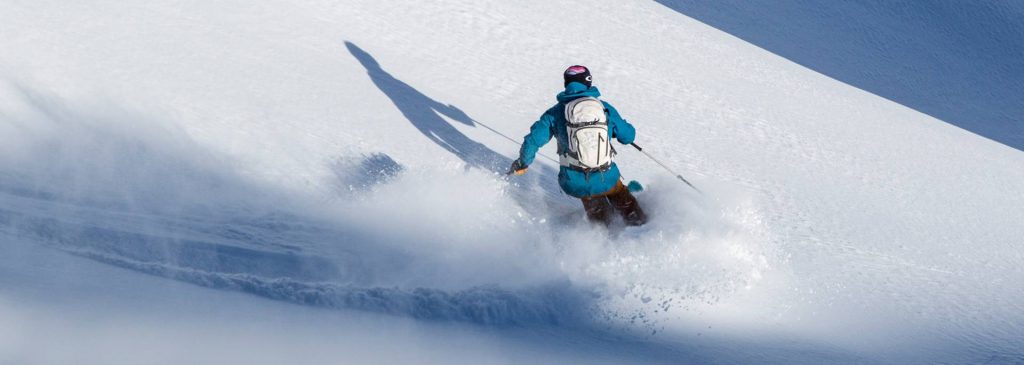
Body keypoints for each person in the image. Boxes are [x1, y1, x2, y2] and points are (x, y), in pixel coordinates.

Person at [509, 65, 647, 226]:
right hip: (606, 176)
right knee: (618, 193)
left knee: (594, 205)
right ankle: (638, 223)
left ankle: (602, 235)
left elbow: (532, 140)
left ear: (566, 84)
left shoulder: (555, 112)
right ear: (588, 82)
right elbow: (628, 136)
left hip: (574, 181)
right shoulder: (603, 108)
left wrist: (522, 163)